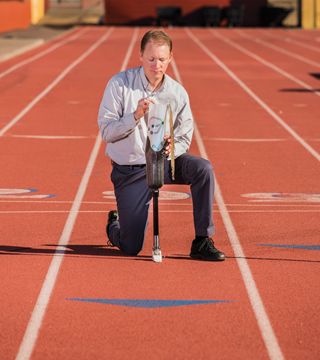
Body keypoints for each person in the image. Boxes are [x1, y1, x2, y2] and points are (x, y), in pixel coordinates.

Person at [98, 30, 225, 261]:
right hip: (131, 169)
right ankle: (114, 226)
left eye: (162, 59)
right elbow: (106, 132)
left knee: (203, 169)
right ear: (140, 56)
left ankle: (202, 240)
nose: (157, 65)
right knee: (131, 247)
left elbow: (185, 135)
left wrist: (172, 148)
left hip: (166, 163)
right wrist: (135, 116)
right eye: (151, 59)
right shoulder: (119, 85)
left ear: (170, 58)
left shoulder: (178, 93)